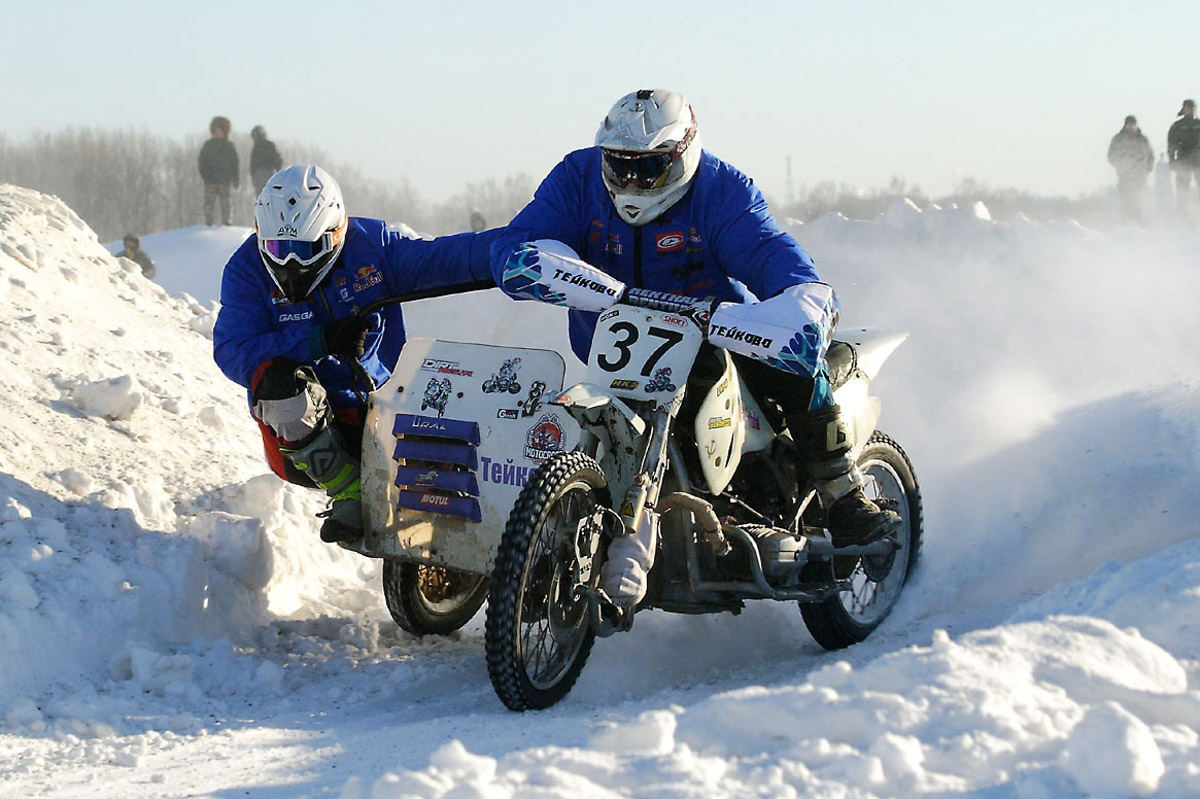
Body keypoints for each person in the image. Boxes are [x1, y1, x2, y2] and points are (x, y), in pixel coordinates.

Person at [489, 89, 899, 608]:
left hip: (718, 333)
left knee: (797, 365)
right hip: (614, 346)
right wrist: (524, 258)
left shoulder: (721, 191)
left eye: (651, 168)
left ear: (683, 154)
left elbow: (768, 250)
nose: (633, 181)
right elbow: (522, 235)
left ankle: (844, 495)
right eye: (621, 166)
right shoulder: (578, 178)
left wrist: (804, 296)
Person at [213, 164, 498, 544]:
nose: (291, 264)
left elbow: (445, 258)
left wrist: (508, 252)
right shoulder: (246, 271)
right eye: (280, 249)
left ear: (336, 234)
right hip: (303, 432)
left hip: (383, 406)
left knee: (456, 391)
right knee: (274, 377)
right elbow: (233, 349)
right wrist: (317, 341)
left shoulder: (373, 247)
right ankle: (349, 492)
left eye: (304, 250)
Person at [1106, 115, 1153, 222]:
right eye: (1129, 125)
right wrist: (1120, 165)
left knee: (1139, 198)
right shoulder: (1118, 139)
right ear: (1125, 125)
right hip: (1125, 175)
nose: (1131, 127)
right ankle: (1125, 221)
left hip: (1140, 175)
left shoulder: (1142, 139)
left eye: (1133, 125)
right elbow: (1111, 155)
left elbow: (1150, 155)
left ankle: (1140, 221)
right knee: (1125, 199)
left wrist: (1148, 168)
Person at [198, 116, 239, 226]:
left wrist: (236, 178)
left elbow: (235, 163)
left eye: (220, 130)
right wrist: (205, 175)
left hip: (225, 179)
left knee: (226, 203)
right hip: (210, 179)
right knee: (209, 202)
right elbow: (202, 161)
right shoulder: (208, 145)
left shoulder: (229, 146)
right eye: (216, 130)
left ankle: (227, 221)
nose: (218, 133)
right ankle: (208, 220)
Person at [1167, 99, 1200, 209]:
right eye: (1187, 108)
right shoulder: (1178, 126)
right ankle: (1182, 214)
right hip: (1183, 161)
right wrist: (1172, 160)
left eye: (1192, 108)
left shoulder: (1198, 124)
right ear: (1184, 109)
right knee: (1182, 191)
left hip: (1198, 161)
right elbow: (1171, 144)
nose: (1190, 110)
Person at [249, 125, 284, 192]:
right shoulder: (261, 147)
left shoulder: (265, 146)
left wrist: (253, 174)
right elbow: (278, 160)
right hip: (265, 173)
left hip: (266, 173)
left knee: (263, 195)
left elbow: (252, 164)